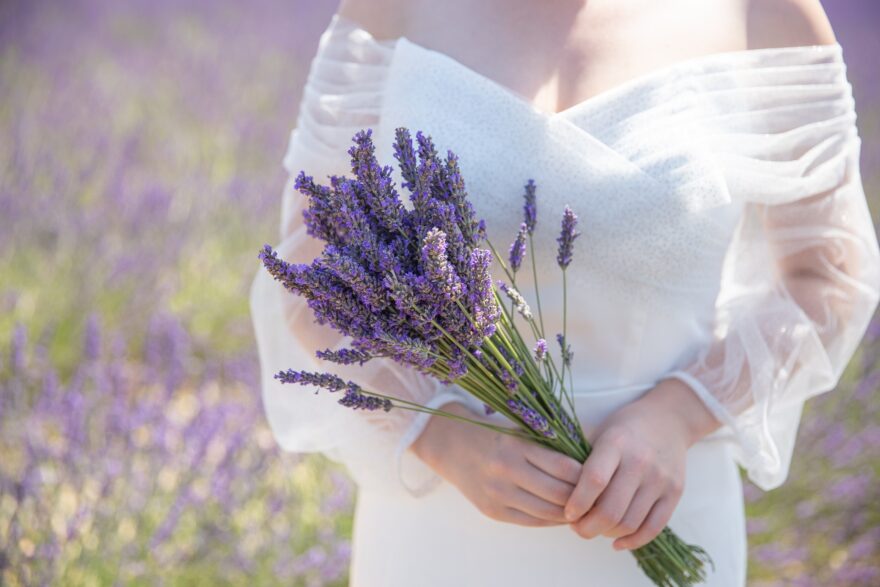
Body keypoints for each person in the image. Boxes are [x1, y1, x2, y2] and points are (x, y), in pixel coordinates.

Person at [249, 0, 880, 584]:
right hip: (439, 521)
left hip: (655, 506)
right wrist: (437, 431)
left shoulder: (762, 11)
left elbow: (829, 278)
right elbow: (312, 264)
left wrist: (681, 413)